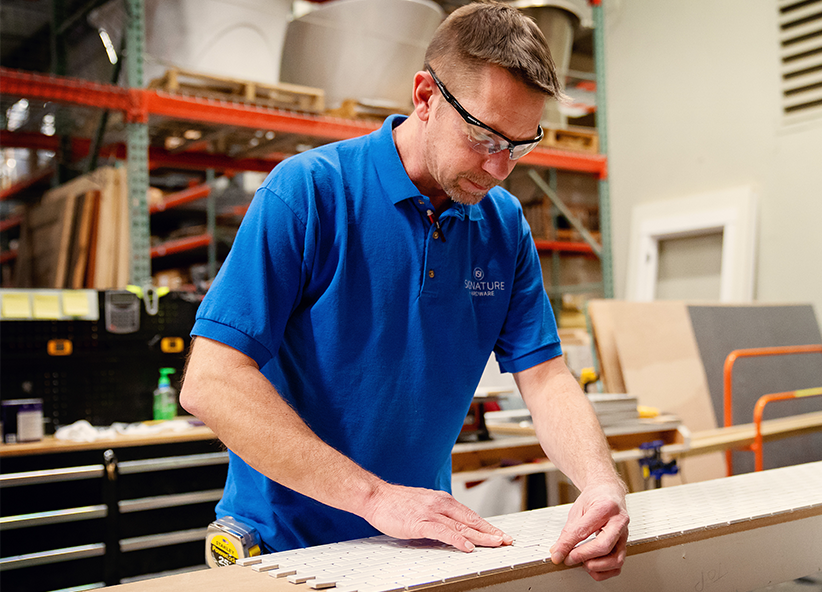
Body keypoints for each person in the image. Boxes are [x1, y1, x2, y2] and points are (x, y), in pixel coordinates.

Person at [180, 0, 629, 582]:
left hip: (416, 551)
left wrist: (601, 483)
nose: (500, 169)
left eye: (520, 145)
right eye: (485, 138)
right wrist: (374, 498)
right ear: (425, 97)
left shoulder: (503, 226)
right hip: (283, 552)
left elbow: (544, 377)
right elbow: (212, 382)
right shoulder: (309, 194)